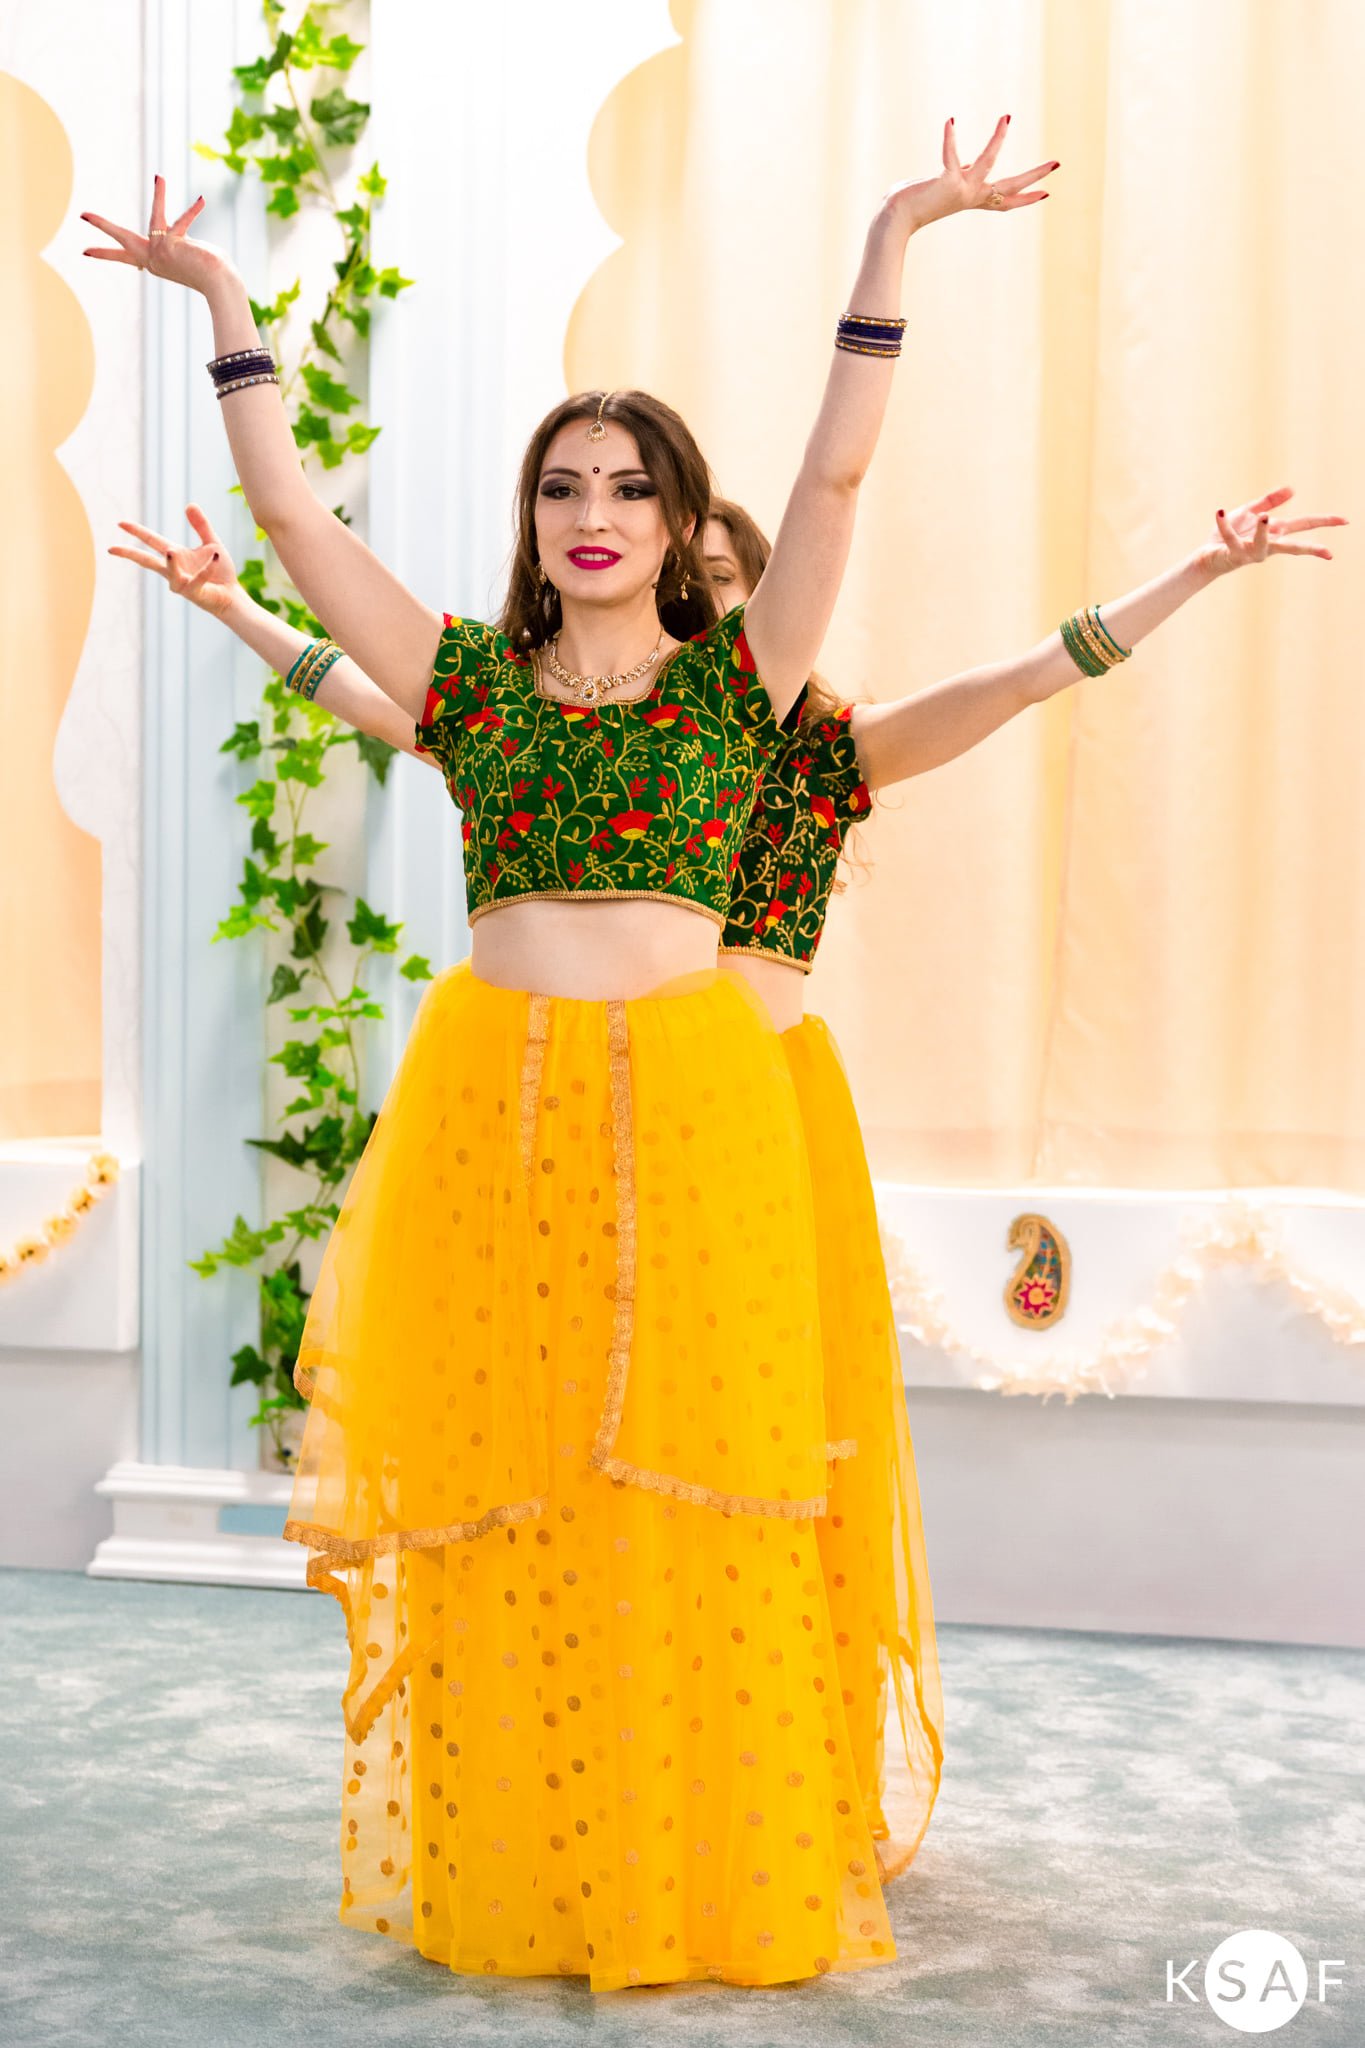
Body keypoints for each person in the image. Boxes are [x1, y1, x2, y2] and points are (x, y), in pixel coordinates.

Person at [86, 115, 1055, 1989]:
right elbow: (295, 526)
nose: (589, 511)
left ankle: (708, 1861)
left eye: (626, 485)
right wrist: (220, 304)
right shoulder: (460, 682)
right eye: (558, 487)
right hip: (493, 1106)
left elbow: (835, 477)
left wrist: (894, 235)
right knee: (512, 1478)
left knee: (700, 1482)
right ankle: (527, 1858)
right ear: (531, 522)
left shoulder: (741, 685)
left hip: (698, 1106)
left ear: (677, 523)